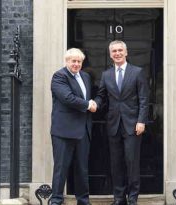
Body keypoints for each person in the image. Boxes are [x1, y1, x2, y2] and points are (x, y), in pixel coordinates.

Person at [94, 40, 149, 205]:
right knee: (116, 163)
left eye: (120, 50)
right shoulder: (106, 75)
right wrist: (94, 103)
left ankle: (132, 198)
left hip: (133, 125)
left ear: (126, 52)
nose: (117, 53)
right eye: (114, 51)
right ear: (110, 54)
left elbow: (144, 99)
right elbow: (101, 96)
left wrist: (141, 121)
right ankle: (119, 197)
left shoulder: (137, 72)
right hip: (113, 125)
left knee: (132, 162)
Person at [50, 48, 96, 205]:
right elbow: (67, 98)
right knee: (61, 169)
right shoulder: (59, 76)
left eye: (79, 61)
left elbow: (90, 97)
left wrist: (94, 103)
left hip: (83, 130)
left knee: (82, 169)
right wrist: (88, 105)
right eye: (73, 61)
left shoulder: (86, 77)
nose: (76, 64)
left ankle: (83, 201)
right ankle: (56, 200)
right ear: (66, 61)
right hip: (64, 131)